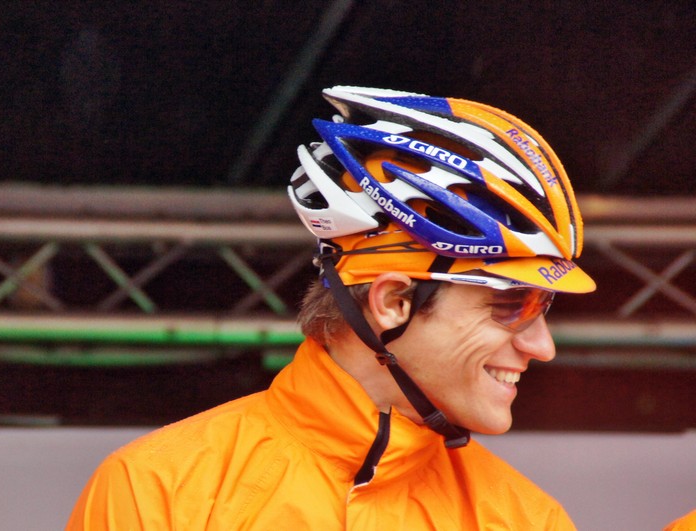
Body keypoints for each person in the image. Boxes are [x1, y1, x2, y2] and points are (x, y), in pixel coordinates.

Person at [66, 86, 596, 529]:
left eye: (543, 306)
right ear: (393, 302)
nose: (542, 346)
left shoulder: (529, 520)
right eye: (511, 305)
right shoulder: (158, 490)